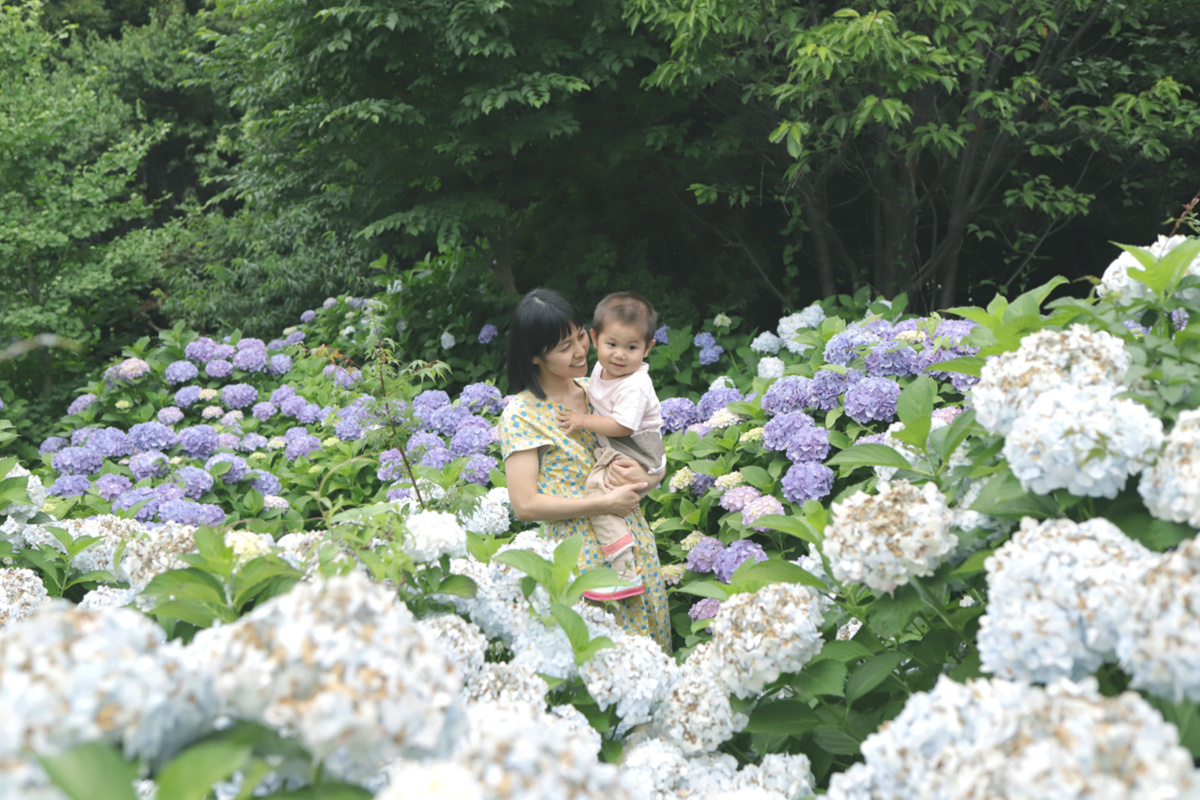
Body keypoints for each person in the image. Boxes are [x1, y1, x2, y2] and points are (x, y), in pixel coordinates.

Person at [499, 288, 671, 651]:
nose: (580, 351)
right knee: (602, 659)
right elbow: (525, 505)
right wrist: (603, 503)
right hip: (579, 562)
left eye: (580, 337)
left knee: (652, 655)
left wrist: (648, 478)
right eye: (565, 347)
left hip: (635, 543)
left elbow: (647, 455)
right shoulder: (521, 415)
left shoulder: (598, 389)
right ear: (535, 356)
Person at [555, 292, 664, 601]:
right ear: (595, 338)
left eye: (632, 348)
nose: (619, 355)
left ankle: (625, 572)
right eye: (612, 344)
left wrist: (582, 421)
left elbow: (623, 426)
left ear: (648, 348)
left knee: (598, 493)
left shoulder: (634, 385)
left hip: (637, 448)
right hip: (624, 447)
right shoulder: (601, 371)